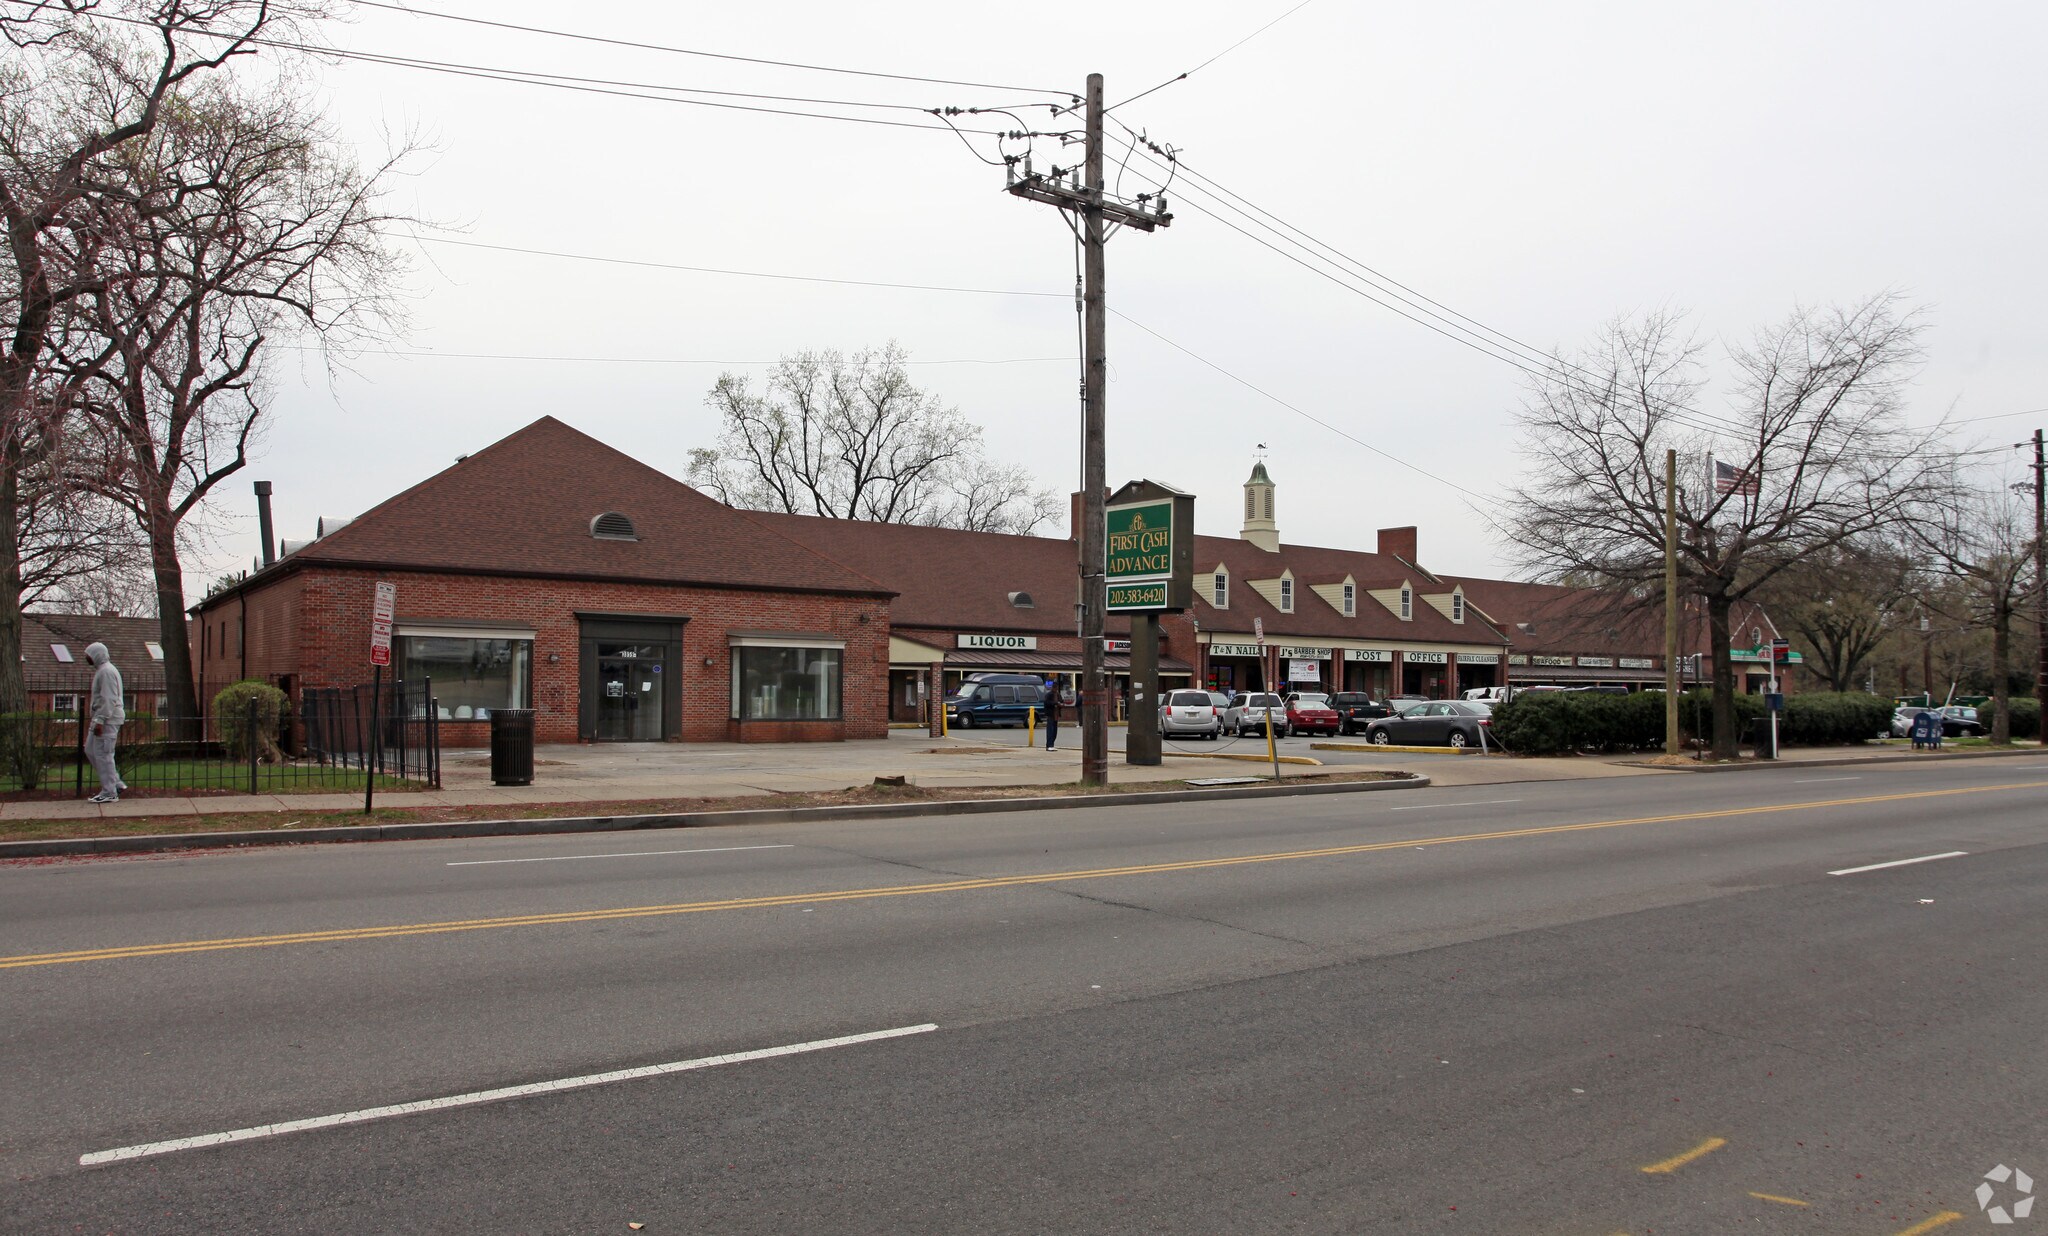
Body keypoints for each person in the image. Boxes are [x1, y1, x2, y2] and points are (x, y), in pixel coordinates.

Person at [84, 641, 126, 803]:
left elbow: (109, 698)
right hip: (102, 718)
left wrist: (100, 720)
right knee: (91, 750)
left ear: (96, 654)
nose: (86, 657)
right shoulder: (103, 671)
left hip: (107, 719)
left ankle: (109, 791)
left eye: (88, 654)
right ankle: (115, 783)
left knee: (103, 754)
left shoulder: (107, 672)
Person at [1043, 677, 1061, 750]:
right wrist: (1055, 703)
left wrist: (1061, 704)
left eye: (1056, 688)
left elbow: (1061, 700)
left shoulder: (1058, 695)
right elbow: (1046, 703)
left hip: (1056, 715)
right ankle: (1049, 745)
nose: (1055, 689)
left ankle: (1052, 744)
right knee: (1050, 730)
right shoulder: (1049, 694)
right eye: (1054, 687)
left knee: (1054, 731)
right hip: (1050, 714)